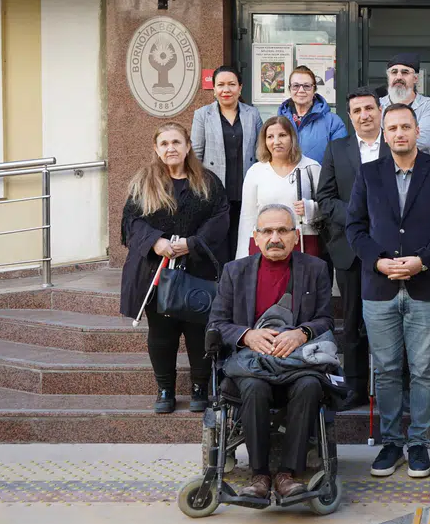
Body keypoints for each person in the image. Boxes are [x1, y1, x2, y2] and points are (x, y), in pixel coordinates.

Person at [346, 103, 430, 478]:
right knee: (386, 370)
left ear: (417, 131)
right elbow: (354, 227)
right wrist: (377, 261)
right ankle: (392, 442)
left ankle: (418, 444)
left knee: (424, 370)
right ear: (385, 135)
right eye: (393, 128)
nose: (399, 133)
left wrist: (422, 261)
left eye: (405, 127)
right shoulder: (368, 174)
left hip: (425, 286)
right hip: (379, 286)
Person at [208, 203, 336, 501]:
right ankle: (260, 475)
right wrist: (247, 335)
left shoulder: (315, 268)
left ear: (295, 235)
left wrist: (302, 333)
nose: (275, 238)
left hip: (298, 364)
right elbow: (216, 324)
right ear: (255, 236)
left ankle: (287, 474)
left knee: (310, 385)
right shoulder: (234, 272)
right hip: (251, 366)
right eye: (267, 231)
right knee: (254, 388)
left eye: (282, 230)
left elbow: (325, 320)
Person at [119, 121, 229, 414]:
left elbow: (220, 218)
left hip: (198, 269)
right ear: (156, 149)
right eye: (164, 144)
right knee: (162, 332)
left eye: (176, 142)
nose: (171, 148)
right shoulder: (144, 181)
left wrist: (192, 243)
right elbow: (131, 221)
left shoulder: (207, 181)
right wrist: (155, 241)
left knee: (198, 330)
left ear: (188, 146)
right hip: (156, 270)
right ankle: (165, 388)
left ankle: (199, 387)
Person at [317, 88, 390, 409]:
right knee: (352, 321)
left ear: (380, 111)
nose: (364, 115)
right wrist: (359, 215)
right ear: (349, 116)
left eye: (369, 108)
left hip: (391, 250)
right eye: (357, 110)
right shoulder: (336, 149)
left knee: (392, 319)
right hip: (349, 249)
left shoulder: (395, 145)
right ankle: (355, 388)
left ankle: (392, 387)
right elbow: (325, 198)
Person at [191, 65, 263, 260]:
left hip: (245, 190)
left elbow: (261, 153)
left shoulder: (252, 114)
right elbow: (195, 155)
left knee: (242, 241)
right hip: (215, 191)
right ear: (214, 89)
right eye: (220, 85)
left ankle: (240, 277)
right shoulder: (202, 115)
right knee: (218, 243)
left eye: (231, 84)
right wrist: (198, 189)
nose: (226, 89)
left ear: (240, 87)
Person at [236, 116, 324, 259]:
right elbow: (248, 217)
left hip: (303, 241)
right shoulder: (255, 171)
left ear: (292, 138)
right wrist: (242, 257)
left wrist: (310, 208)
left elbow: (328, 207)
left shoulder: (311, 167)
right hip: (265, 244)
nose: (276, 142)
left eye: (282, 135)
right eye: (270, 137)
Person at [276, 65, 347, 166]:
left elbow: (341, 160)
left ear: (314, 89)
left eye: (307, 86)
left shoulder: (332, 122)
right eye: (296, 86)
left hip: (320, 176)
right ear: (289, 89)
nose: (301, 90)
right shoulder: (278, 121)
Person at [379, 54, 430, 152]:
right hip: (384, 161)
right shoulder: (378, 105)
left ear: (415, 78)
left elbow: (424, 142)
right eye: (394, 72)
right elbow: (371, 140)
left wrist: (387, 141)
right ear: (388, 77)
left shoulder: (427, 105)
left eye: (405, 72)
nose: (399, 77)